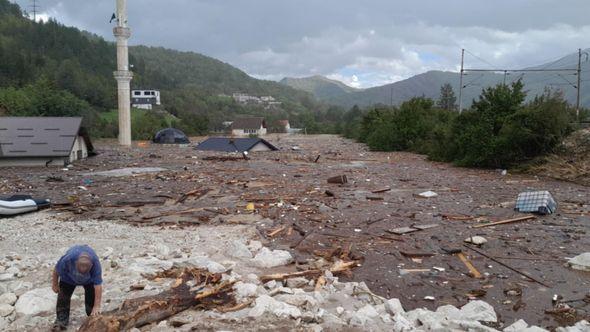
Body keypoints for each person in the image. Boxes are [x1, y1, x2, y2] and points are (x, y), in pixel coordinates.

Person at [51, 245, 103, 330]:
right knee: (63, 298)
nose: (83, 270)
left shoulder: (95, 263)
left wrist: (97, 306)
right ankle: (61, 321)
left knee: (91, 302)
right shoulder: (68, 259)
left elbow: (98, 285)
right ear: (75, 263)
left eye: (86, 268)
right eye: (81, 268)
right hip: (68, 279)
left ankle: (92, 317)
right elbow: (57, 270)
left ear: (91, 265)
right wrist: (55, 284)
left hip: (88, 281)